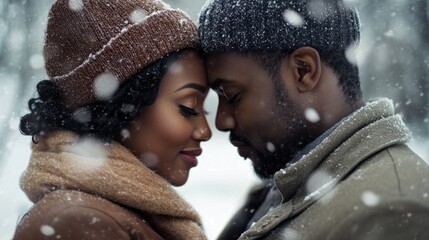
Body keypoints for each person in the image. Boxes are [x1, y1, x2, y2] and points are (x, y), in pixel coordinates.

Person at [198, 0, 429, 239]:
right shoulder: (285, 189)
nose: (221, 121)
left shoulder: (392, 213)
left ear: (303, 70)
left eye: (232, 96)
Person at [13, 0, 212, 239]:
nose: (205, 131)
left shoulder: (113, 214)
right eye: (188, 107)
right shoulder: (78, 224)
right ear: (121, 105)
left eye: (205, 111)